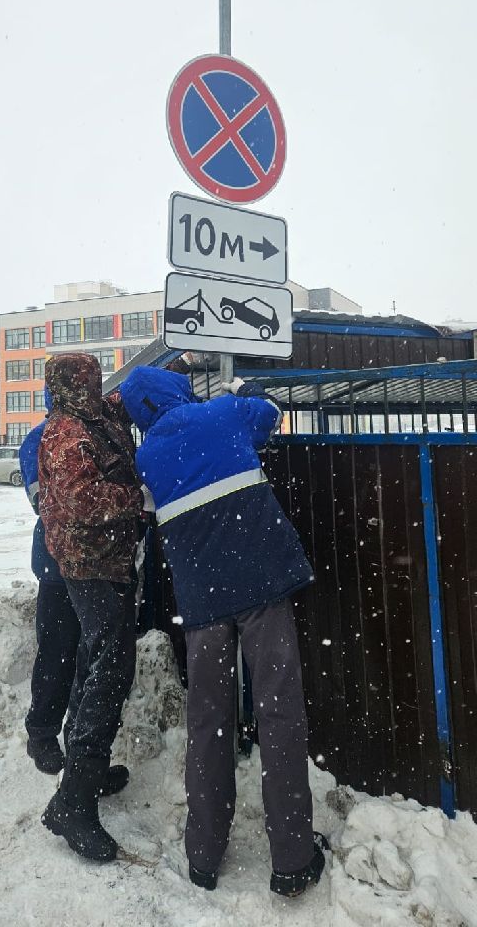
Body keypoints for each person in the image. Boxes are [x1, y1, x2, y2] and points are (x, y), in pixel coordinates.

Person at [119, 366, 328, 899]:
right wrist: (246, 391)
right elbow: (271, 417)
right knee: (279, 711)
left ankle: (204, 854)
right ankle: (292, 858)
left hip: (204, 605)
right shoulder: (222, 413)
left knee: (208, 720)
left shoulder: (145, 459)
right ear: (178, 391)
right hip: (261, 587)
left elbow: (152, 508)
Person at [39, 353, 146, 863]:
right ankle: (74, 801)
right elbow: (83, 502)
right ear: (65, 388)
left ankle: (84, 769)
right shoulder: (64, 434)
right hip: (88, 566)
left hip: (112, 562)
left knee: (95, 657)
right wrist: (136, 498)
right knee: (111, 667)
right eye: (83, 382)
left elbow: (125, 402)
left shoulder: (96, 416)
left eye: (96, 380)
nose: (93, 388)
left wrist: (177, 371)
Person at [19, 392, 81, 776]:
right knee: (57, 653)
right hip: (58, 568)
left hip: (95, 568)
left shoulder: (94, 431)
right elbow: (47, 502)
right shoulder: (39, 439)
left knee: (87, 658)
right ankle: (42, 734)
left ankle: (81, 747)